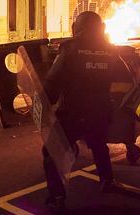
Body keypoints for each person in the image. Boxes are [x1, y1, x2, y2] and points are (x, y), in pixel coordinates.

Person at [42, 11, 116, 211]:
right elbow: (124, 79)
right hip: (99, 111)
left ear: (78, 27)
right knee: (99, 145)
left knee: (52, 152)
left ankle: (57, 196)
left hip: (74, 112)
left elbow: (52, 81)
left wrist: (44, 104)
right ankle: (107, 180)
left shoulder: (70, 49)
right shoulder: (111, 50)